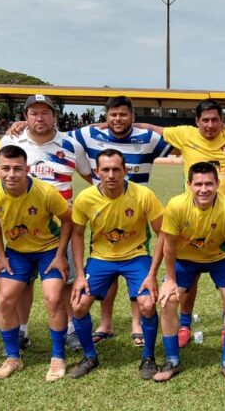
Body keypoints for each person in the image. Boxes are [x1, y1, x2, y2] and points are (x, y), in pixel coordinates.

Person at [69, 96, 171, 347]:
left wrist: (148, 126)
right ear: (106, 116)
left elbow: (179, 139)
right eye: (113, 115)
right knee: (107, 275)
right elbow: (56, 135)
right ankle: (106, 323)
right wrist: (21, 127)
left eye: (123, 114)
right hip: (102, 212)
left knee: (136, 278)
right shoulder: (89, 134)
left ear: (132, 116)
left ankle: (137, 324)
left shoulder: (148, 138)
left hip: (136, 211)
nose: (118, 119)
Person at [0, 94, 93, 351]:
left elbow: (90, 177)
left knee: (67, 280)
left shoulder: (71, 145)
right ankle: (21, 330)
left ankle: (72, 329)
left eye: (45, 113)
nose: (39, 118)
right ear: (25, 117)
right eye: (33, 113)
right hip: (22, 227)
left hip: (62, 228)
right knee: (24, 282)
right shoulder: (11, 140)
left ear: (54, 116)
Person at [69, 149, 164, 380]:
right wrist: (80, 274)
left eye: (116, 169)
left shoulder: (143, 194)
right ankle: (90, 356)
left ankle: (148, 357)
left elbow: (162, 233)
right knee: (79, 305)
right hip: (101, 258)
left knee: (148, 305)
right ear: (97, 171)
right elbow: (78, 235)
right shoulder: (86, 198)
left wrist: (152, 273)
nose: (111, 174)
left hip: (136, 256)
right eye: (105, 169)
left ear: (126, 171)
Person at [0, 145, 74, 381]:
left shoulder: (45, 191)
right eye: (6, 168)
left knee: (53, 298)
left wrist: (61, 254)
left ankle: (57, 357)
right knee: (4, 300)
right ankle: (13, 357)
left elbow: (67, 220)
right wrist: (1, 254)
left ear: (28, 169)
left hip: (48, 250)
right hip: (17, 252)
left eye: (17, 169)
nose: (11, 174)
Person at [156, 162, 225, 382]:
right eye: (198, 184)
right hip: (185, 259)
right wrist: (170, 280)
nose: (203, 189)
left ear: (217, 183)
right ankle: (172, 360)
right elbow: (168, 245)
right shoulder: (176, 205)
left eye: (208, 184)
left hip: (219, 259)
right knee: (167, 300)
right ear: (189, 185)